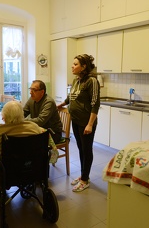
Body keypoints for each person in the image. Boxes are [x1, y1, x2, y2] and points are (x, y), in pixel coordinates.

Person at [57, 54, 100, 192]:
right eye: (73, 63)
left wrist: (90, 124)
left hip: (86, 122)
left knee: (87, 150)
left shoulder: (92, 81)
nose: (72, 66)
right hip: (75, 120)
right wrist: (61, 104)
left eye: (75, 64)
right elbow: (71, 97)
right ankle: (83, 175)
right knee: (81, 149)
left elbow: (95, 104)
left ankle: (85, 180)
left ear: (84, 66)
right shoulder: (76, 80)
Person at [23, 80, 63, 144]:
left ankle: (40, 154)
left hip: (52, 133)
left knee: (28, 141)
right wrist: (15, 117)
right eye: (30, 89)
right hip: (39, 130)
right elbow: (24, 112)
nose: (30, 92)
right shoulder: (32, 99)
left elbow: (40, 121)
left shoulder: (49, 102)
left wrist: (23, 121)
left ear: (42, 92)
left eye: (34, 90)